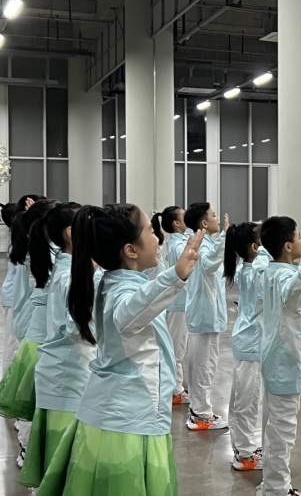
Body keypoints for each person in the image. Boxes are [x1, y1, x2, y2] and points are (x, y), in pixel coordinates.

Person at [36, 203, 203, 496]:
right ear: (130, 250)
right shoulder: (119, 291)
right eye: (150, 232)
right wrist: (174, 276)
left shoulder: (112, 281)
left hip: (125, 416)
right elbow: (128, 313)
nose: (158, 238)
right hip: (125, 424)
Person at [19, 202, 84, 488]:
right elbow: (81, 329)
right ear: (71, 233)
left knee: (58, 460)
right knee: (61, 462)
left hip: (64, 374)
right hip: (67, 375)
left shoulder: (68, 267)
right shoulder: (70, 277)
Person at [259, 216, 301, 496]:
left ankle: (272, 485)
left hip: (276, 360)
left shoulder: (275, 270)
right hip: (284, 363)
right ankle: (276, 489)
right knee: (283, 432)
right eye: (298, 237)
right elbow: (292, 298)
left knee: (275, 427)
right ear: (287, 246)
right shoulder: (287, 277)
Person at [0, 198, 55, 467]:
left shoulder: (34, 246)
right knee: (32, 391)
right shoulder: (41, 251)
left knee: (33, 389)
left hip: (29, 320)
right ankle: (27, 448)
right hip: (33, 324)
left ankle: (27, 444)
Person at [224, 222, 270, 471]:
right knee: (247, 401)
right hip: (251, 342)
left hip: (248, 340)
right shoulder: (255, 271)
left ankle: (243, 448)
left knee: (243, 397)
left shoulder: (248, 267)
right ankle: (244, 454)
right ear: (254, 247)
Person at [183, 202, 230, 430]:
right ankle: (200, 415)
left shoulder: (206, 243)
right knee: (204, 367)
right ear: (204, 222)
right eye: (213, 215)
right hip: (205, 315)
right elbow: (210, 264)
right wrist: (225, 237)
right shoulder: (201, 244)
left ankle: (199, 410)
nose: (217, 219)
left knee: (202, 365)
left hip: (205, 315)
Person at [152, 206, 191, 405]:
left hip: (181, 303)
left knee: (178, 348)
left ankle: (177, 387)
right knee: (176, 349)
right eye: (184, 217)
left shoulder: (178, 242)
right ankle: (175, 390)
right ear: (176, 223)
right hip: (178, 304)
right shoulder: (177, 246)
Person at [1, 202, 19, 374]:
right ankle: (7, 382)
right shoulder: (17, 239)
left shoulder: (15, 236)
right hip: (13, 296)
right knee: (12, 343)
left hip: (14, 295)